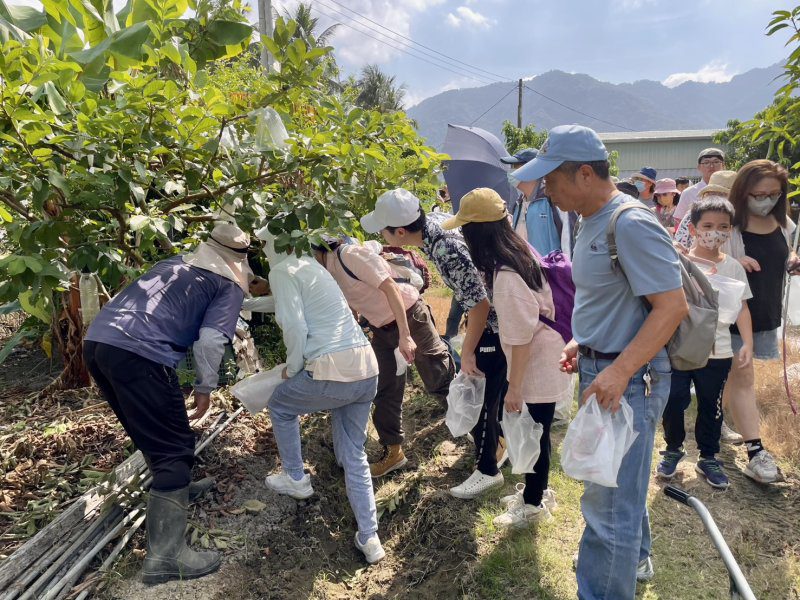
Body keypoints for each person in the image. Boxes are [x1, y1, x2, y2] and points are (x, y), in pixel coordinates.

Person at [514, 125, 687, 599]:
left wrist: (619, 368)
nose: (544, 188)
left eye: (551, 178)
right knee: (620, 486)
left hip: (628, 380)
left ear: (585, 173)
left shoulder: (628, 222)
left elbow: (671, 307)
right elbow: (612, 298)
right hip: (606, 368)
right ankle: (637, 557)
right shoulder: (590, 219)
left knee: (608, 508)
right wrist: (581, 341)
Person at [83, 223, 253, 584]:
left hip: (99, 342)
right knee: (176, 448)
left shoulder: (174, 265)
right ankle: (165, 557)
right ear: (241, 261)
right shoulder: (227, 283)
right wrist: (205, 386)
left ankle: (175, 485)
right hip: (141, 354)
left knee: (145, 427)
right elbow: (209, 342)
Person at [360, 189, 509, 499]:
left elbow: (480, 304)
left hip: (496, 323)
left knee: (479, 389)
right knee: (491, 391)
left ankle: (488, 469)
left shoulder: (443, 250)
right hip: (500, 314)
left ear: (400, 231)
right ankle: (500, 444)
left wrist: (468, 350)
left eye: (384, 230)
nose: (383, 236)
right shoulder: (437, 224)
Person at [256, 227, 386, 564]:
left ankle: (296, 477)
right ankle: (370, 538)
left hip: (332, 371)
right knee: (354, 454)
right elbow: (301, 307)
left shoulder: (281, 270)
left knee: (280, 403)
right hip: (365, 368)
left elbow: (295, 325)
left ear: (272, 245)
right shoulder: (311, 267)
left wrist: (293, 366)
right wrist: (248, 302)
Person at [443, 188, 571, 527]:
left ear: (477, 233)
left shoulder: (506, 277)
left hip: (536, 362)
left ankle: (532, 506)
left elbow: (521, 338)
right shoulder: (518, 248)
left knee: (535, 435)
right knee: (535, 433)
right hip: (545, 353)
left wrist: (514, 389)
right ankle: (536, 493)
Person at [311, 232, 454, 477]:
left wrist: (405, 335)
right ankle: (393, 452)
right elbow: (356, 295)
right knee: (385, 386)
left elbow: (390, 288)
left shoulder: (351, 255)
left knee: (436, 375)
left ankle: (475, 426)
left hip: (410, 316)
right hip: (381, 328)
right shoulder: (329, 270)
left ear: (320, 249)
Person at [657, 197, 753, 489]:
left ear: (730, 230)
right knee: (674, 400)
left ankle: (708, 456)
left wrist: (747, 343)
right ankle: (673, 448)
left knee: (711, 405)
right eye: (708, 226)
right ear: (694, 228)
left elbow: (743, 308)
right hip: (682, 348)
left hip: (719, 350)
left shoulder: (734, 267)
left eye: (723, 227)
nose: (715, 232)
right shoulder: (679, 261)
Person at [722, 160, 799, 483]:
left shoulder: (785, 225)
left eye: (773, 194)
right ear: (743, 192)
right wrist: (731, 260)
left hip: (764, 312)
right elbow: (698, 255)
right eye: (758, 194)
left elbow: (786, 251)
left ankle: (714, 422)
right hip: (730, 316)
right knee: (744, 378)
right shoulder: (729, 224)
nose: (765, 200)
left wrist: (792, 259)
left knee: (730, 377)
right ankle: (756, 450)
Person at [506, 148, 578, 259]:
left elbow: (569, 239)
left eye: (515, 166)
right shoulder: (518, 205)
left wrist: (566, 272)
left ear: (531, 169)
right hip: (529, 274)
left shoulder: (554, 198)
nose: (511, 171)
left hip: (553, 274)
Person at [674, 170, 737, 251]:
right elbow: (680, 246)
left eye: (722, 194)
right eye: (712, 193)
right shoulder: (693, 214)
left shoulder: (744, 218)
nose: (716, 198)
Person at [673, 148, 726, 222]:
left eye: (716, 162)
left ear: (723, 165)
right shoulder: (688, 193)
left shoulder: (733, 191)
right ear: (699, 167)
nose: (711, 166)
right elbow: (679, 220)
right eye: (706, 162)